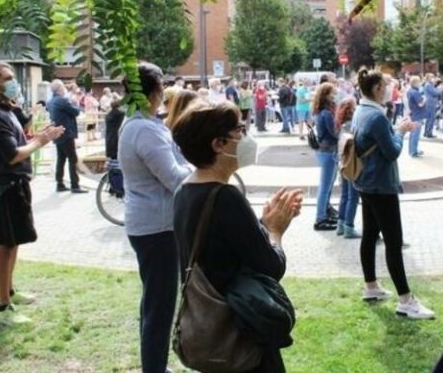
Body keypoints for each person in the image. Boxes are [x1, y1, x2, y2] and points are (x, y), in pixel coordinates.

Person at [172, 101, 302, 373]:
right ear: (219, 144)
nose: (245, 137)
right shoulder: (225, 197)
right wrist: (276, 230)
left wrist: (263, 224)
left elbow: (223, 248)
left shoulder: (185, 190)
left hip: (210, 328)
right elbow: (271, 266)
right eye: (240, 130)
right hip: (239, 331)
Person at [118, 62, 192, 373]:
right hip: (156, 228)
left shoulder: (140, 124)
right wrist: (199, 169)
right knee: (159, 306)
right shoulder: (143, 129)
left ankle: (155, 364)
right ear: (154, 92)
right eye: (161, 87)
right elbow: (174, 177)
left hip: (151, 224)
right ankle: (155, 368)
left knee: (155, 302)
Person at [0, 63, 65, 325]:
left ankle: (9, 292)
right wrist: (39, 142)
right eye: (7, 78)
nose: (13, 82)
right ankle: (3, 307)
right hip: (8, 186)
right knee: (5, 243)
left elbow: (19, 144)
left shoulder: (5, 112)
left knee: (13, 240)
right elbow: (13, 155)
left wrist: (36, 138)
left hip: (16, 185)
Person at [352, 68, 434, 319]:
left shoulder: (361, 110)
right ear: (377, 89)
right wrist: (401, 131)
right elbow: (392, 152)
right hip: (381, 185)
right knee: (393, 242)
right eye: (386, 85)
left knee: (369, 235)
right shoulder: (376, 117)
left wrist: (396, 130)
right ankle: (406, 300)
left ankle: (371, 286)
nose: (390, 89)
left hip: (366, 183)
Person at [47, 80, 87, 194]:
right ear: (60, 89)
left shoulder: (50, 101)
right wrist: (76, 102)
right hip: (66, 133)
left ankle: (60, 184)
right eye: (63, 87)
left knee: (61, 159)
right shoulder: (63, 100)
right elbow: (76, 112)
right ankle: (75, 185)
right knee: (72, 159)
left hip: (57, 133)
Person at [311, 83, 339, 231]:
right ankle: (320, 219)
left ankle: (326, 211)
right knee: (325, 186)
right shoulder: (326, 113)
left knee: (327, 185)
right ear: (327, 94)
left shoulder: (321, 110)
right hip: (328, 152)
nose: (336, 95)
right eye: (334, 93)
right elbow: (334, 132)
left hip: (325, 151)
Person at [335, 99, 360, 238]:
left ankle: (340, 225)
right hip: (351, 163)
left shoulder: (341, 124)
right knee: (353, 196)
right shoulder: (353, 125)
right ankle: (349, 227)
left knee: (344, 195)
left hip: (342, 162)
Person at [406, 76, 426, 158]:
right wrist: (425, 99)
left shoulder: (410, 91)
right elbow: (420, 104)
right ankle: (414, 152)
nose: (420, 83)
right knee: (415, 134)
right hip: (417, 114)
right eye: (419, 82)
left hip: (413, 114)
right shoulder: (415, 92)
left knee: (413, 134)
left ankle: (412, 150)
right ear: (416, 83)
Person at [423, 74, 439, 138]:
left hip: (429, 103)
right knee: (431, 118)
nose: (433, 78)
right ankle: (429, 133)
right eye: (432, 77)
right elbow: (435, 93)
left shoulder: (428, 85)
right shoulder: (429, 85)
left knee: (428, 118)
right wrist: (438, 90)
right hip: (431, 103)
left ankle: (426, 132)